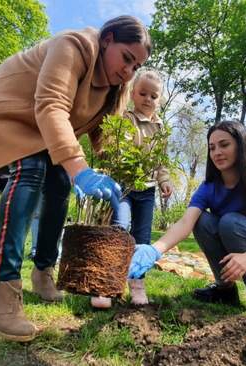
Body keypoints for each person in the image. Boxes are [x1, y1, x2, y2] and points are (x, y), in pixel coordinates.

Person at [0, 16, 151, 342]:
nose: (129, 71)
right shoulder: (73, 45)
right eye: (127, 58)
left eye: (136, 66)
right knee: (31, 171)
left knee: (59, 183)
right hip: (12, 107)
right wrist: (80, 169)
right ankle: (1, 288)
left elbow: (107, 139)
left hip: (48, 129)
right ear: (107, 39)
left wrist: (120, 174)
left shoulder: (118, 87)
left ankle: (43, 271)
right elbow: (51, 104)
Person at [127, 120, 246, 320]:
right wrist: (154, 249)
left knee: (231, 221)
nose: (217, 152)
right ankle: (225, 290)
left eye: (224, 145)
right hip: (237, 257)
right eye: (212, 147)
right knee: (201, 220)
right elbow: (186, 223)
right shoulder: (210, 186)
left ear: (242, 145)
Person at [91, 70, 173, 309]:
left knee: (143, 238)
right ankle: (106, 284)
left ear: (160, 100)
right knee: (120, 229)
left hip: (147, 191)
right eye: (143, 93)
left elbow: (161, 160)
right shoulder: (125, 119)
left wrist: (164, 180)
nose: (148, 99)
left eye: (154, 95)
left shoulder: (160, 128)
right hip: (125, 186)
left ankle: (137, 283)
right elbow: (119, 147)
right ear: (133, 94)